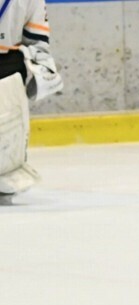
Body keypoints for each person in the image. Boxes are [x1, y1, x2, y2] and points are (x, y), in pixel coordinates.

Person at [0, 0, 63, 196]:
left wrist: (44, 68)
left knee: (6, 159)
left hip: (7, 67)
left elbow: (37, 42)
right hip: (8, 66)